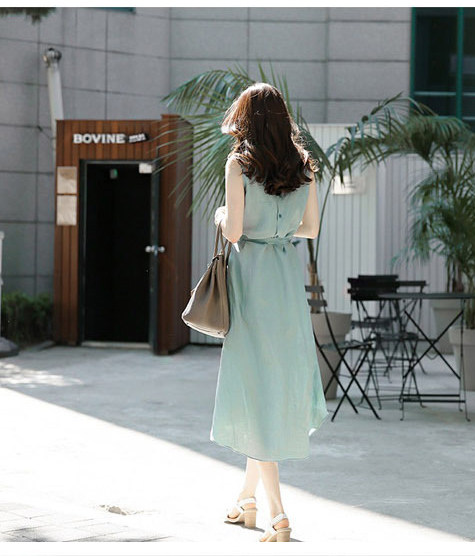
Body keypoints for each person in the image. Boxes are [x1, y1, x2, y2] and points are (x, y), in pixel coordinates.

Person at [210, 82, 330, 542]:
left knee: (255, 389)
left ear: (247, 119)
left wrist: (221, 215)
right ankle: (246, 500)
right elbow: (311, 228)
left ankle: (278, 513)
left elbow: (234, 231)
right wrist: (279, 228)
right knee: (268, 386)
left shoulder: (239, 164)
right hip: (285, 282)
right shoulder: (303, 165)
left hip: (251, 282)